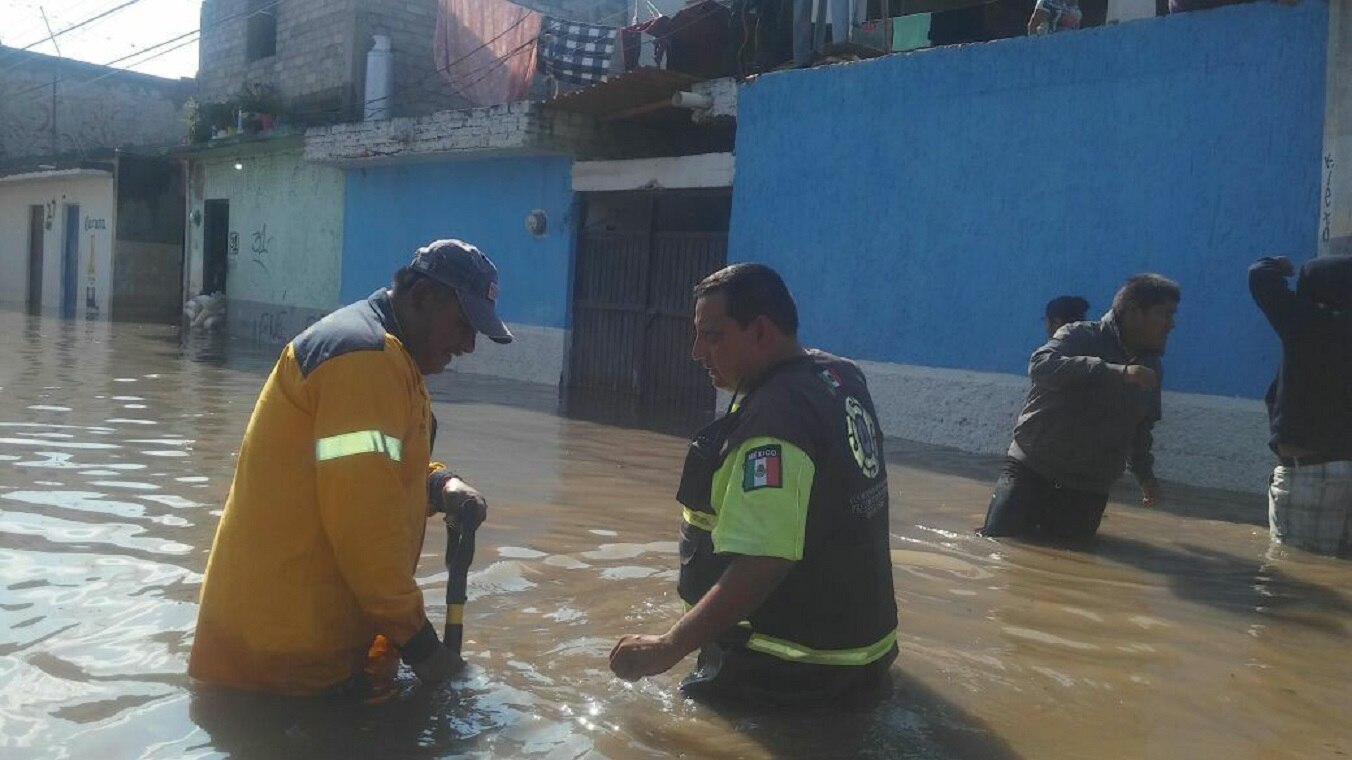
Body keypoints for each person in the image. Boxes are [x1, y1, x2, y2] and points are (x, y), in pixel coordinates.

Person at [189, 239, 513, 695]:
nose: (469, 346)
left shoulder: (386, 355)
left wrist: (441, 486)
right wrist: (426, 653)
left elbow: (377, 473)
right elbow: (366, 532)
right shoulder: (365, 361)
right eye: (463, 325)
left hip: (303, 646)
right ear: (422, 298)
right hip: (283, 665)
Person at [609, 263, 898, 707]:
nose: (696, 352)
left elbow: (765, 560)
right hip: (859, 654)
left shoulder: (775, 422)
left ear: (760, 332)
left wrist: (668, 647)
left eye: (713, 336)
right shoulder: (838, 376)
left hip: (785, 673)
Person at [980, 274, 1179, 543]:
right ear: (1134, 312)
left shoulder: (1152, 369)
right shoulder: (1079, 336)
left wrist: (1146, 477)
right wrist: (1117, 373)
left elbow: (1141, 428)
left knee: (1072, 567)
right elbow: (1041, 366)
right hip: (1031, 472)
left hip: (1089, 489)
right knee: (999, 549)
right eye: (1165, 315)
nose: (1171, 325)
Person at [1248, 255, 1352, 556]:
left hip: (1309, 472)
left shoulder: (1306, 323)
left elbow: (1259, 278)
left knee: (1294, 574)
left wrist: (1276, 266)